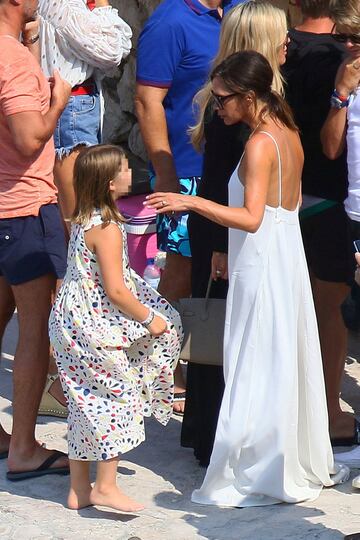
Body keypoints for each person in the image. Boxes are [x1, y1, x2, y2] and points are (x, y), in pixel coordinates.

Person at [146, 50, 350, 507]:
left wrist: (192, 203)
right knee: (277, 354)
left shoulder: (260, 143)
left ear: (250, 95)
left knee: (254, 357)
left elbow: (252, 217)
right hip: (283, 255)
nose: (217, 108)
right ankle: (281, 457)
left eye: (222, 100)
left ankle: (257, 464)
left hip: (262, 258)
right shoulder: (287, 129)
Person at [183, 0, 289, 467]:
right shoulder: (235, 113)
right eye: (282, 37)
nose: (290, 46)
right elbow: (224, 184)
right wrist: (222, 245)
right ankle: (217, 438)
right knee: (227, 337)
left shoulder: (235, 105)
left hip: (224, 228)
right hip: (225, 234)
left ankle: (217, 435)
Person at [49, 145, 182, 511]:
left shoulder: (83, 218)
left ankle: (79, 489)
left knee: (83, 401)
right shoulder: (107, 228)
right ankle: (105, 486)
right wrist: (149, 318)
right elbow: (116, 289)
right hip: (91, 327)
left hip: (68, 321)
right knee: (116, 397)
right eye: (126, 169)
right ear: (110, 183)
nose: (132, 174)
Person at [135, 0, 243, 414]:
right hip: (188, 170)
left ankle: (199, 367)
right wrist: (164, 171)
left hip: (234, 165)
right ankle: (158, 368)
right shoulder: (171, 20)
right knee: (181, 273)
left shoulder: (238, 9)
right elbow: (147, 101)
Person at [37, 0, 132, 417]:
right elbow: (112, 48)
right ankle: (61, 377)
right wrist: (105, 11)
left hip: (78, 107)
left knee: (76, 247)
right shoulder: (60, 3)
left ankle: (61, 371)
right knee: (75, 247)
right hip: (70, 109)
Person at [0, 0, 72, 480]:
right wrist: (59, 101)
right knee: (34, 328)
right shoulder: (13, 60)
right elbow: (28, 139)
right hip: (23, 207)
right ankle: (24, 447)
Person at [283, 0, 356, 447]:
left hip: (292, 192)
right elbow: (330, 146)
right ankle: (326, 415)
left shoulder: (279, 45)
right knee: (327, 308)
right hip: (328, 199)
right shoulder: (336, 61)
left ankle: (316, 413)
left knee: (307, 307)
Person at [321, 0, 360, 490]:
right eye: (343, 38)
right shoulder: (342, 82)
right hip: (352, 215)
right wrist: (340, 96)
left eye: (355, 38)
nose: (348, 47)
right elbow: (331, 148)